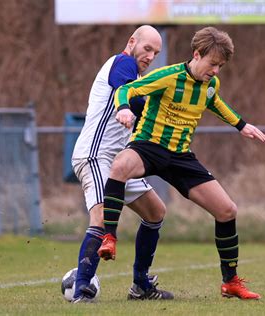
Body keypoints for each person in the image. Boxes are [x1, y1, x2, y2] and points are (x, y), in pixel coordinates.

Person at [98, 26, 265, 300]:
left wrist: (241, 125)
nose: (216, 71)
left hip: (180, 157)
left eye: (221, 66)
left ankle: (231, 282)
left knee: (227, 210)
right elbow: (126, 90)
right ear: (196, 55)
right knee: (119, 167)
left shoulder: (210, 84)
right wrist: (125, 108)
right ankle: (110, 238)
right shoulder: (168, 76)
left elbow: (215, 103)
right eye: (213, 64)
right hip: (148, 146)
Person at [70, 25, 174, 303]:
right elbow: (122, 87)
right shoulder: (122, 63)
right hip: (95, 155)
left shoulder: (139, 82)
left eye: (156, 52)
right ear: (132, 42)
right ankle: (82, 289)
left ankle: (141, 285)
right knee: (102, 219)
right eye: (147, 48)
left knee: (155, 211)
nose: (151, 56)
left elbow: (140, 104)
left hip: (118, 163)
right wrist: (126, 107)